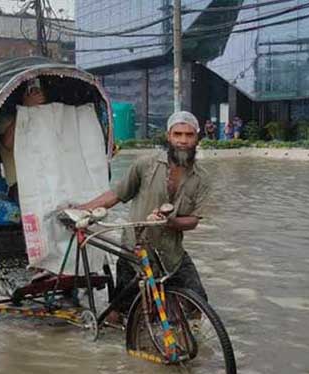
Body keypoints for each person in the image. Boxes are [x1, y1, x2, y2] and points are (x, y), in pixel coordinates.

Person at [76, 111, 210, 322]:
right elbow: (117, 194)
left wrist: (171, 222)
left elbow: (194, 220)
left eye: (189, 135)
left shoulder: (202, 178)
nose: (183, 141)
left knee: (197, 305)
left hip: (171, 253)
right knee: (119, 313)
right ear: (169, 136)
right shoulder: (145, 165)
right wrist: (83, 208)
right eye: (178, 134)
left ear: (197, 138)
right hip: (135, 249)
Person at [0, 84, 46, 202]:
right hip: (20, 186)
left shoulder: (45, 119)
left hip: (46, 180)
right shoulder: (6, 121)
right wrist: (25, 108)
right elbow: (8, 143)